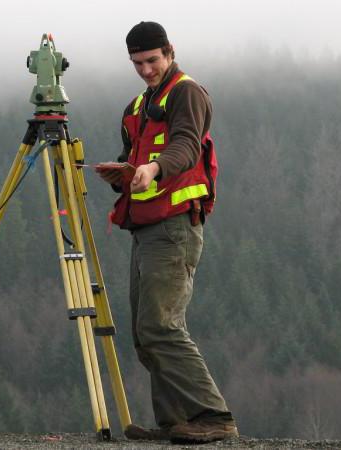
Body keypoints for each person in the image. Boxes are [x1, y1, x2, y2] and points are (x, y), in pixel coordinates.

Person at [97, 21, 238, 444]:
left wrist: (154, 169)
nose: (145, 70)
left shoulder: (187, 93)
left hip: (175, 227)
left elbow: (186, 145)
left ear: (169, 52)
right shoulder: (137, 106)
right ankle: (176, 421)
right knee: (146, 331)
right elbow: (133, 156)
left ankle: (214, 415)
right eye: (137, 63)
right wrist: (121, 173)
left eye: (152, 60)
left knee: (161, 325)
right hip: (146, 227)